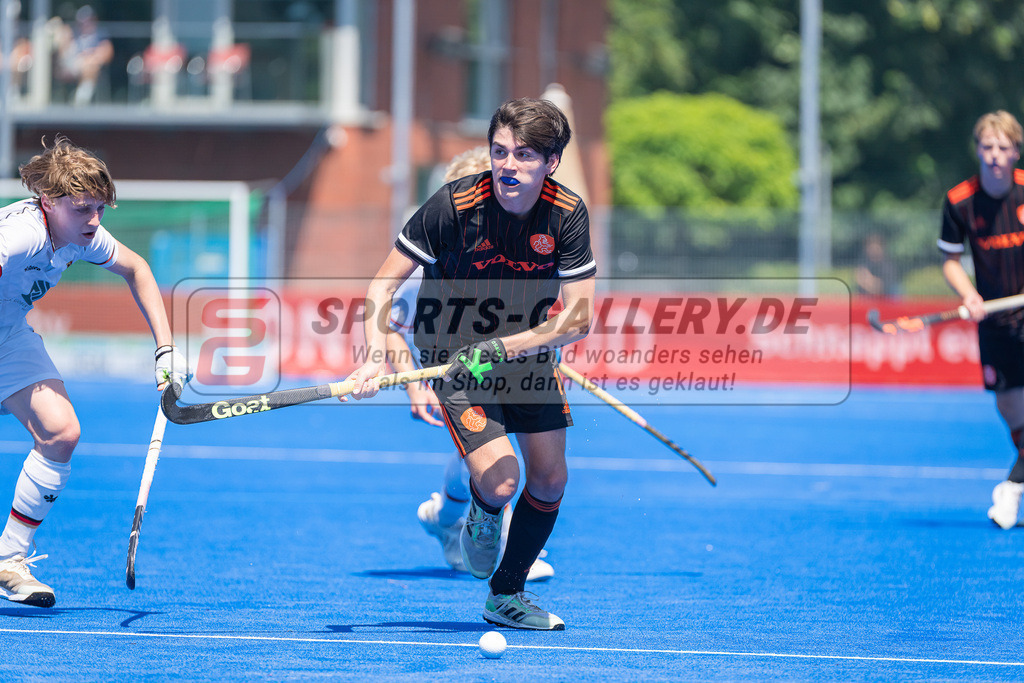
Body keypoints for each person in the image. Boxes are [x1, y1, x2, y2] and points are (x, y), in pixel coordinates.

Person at [348, 98, 596, 630]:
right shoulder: (453, 206)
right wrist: (373, 360)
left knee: (551, 479)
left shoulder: (567, 214)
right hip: (454, 359)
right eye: (500, 151)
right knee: (504, 483)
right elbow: (381, 286)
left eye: (525, 155)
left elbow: (578, 319)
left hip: (523, 354)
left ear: (551, 163)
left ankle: (506, 596)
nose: (508, 165)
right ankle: (484, 511)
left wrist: (509, 346)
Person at [0, 136, 189, 607]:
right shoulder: (20, 235)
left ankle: (9, 558)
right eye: (84, 208)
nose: (95, 220)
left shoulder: (81, 234)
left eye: (101, 208)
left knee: (61, 432)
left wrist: (165, 350)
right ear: (49, 201)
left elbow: (138, 269)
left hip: (8, 337)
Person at [386, 146, 552, 582]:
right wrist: (412, 386)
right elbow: (390, 325)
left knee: (485, 458)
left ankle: (443, 517)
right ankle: (507, 542)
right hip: (450, 369)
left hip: (508, 370)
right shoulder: (431, 259)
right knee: (493, 457)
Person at [938, 110, 1024, 530]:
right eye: (987, 147)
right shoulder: (960, 201)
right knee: (1012, 409)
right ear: (977, 151)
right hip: (993, 319)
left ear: (1015, 153)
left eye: (1003, 148)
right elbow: (951, 261)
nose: (994, 155)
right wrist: (969, 294)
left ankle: (1011, 488)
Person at [54, 5, 113, 105]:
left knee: (90, 67)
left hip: (91, 65)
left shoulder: (100, 34)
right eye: (83, 20)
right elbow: (63, 54)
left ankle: (81, 101)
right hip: (72, 65)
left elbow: (107, 52)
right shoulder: (72, 33)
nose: (86, 23)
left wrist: (89, 58)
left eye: (89, 19)